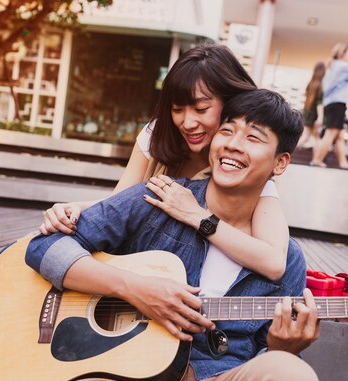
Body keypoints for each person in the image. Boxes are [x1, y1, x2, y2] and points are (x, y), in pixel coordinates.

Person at [16, 89, 326, 381]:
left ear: (280, 163)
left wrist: (282, 349)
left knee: (295, 379)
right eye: (227, 130)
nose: (234, 144)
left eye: (253, 137)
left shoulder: (286, 257)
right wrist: (133, 288)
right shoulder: (157, 200)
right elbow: (44, 246)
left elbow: (270, 362)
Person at [40, 44, 291, 282]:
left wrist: (196, 215)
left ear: (231, 105)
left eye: (201, 109)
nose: (187, 122)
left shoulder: (242, 170)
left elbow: (274, 261)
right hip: (132, 264)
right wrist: (72, 209)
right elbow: (118, 203)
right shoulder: (158, 135)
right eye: (177, 109)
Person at [310, 43, 348, 169]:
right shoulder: (343, 66)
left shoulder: (332, 66)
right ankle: (317, 160)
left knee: (338, 135)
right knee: (331, 133)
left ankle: (343, 162)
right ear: (343, 53)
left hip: (331, 103)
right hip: (337, 103)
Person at [297, 62, 326, 149]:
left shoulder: (311, 83)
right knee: (315, 137)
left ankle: (290, 151)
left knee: (307, 136)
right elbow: (319, 103)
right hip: (314, 115)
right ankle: (317, 159)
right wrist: (320, 117)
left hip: (308, 113)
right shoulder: (321, 85)